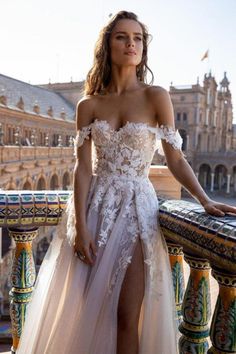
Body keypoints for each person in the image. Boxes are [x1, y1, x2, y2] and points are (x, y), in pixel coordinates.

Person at [16, 10, 236, 354]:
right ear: (108, 44)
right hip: (93, 210)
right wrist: (81, 229)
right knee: (83, 307)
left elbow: (174, 157)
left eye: (138, 38)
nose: (131, 43)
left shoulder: (156, 96)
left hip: (137, 210)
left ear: (143, 49)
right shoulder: (88, 105)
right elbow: (83, 168)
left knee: (126, 313)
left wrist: (204, 200)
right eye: (122, 36)